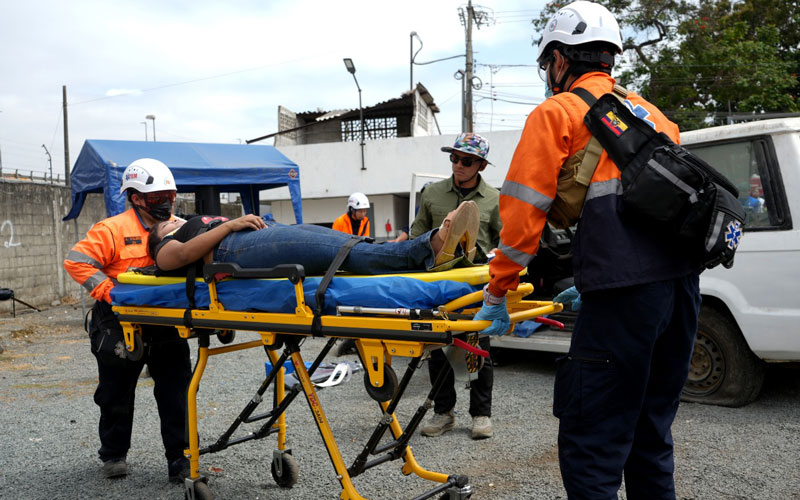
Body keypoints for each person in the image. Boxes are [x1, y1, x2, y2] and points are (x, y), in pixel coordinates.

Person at [473, 2, 702, 498]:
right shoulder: (654, 116)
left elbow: (522, 212)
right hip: (681, 293)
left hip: (621, 298)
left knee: (593, 443)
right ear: (609, 58)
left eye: (547, 65)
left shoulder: (558, 112)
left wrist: (499, 289)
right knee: (650, 437)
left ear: (559, 61)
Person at [63, 158, 191, 483]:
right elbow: (76, 261)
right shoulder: (112, 229)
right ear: (135, 198)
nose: (166, 203)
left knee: (176, 392)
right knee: (116, 392)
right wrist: (109, 292)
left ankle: (180, 460)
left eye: (170, 196)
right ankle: (114, 454)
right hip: (118, 322)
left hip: (166, 321)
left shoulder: (181, 226)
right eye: (157, 197)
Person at [411, 132, 501, 441]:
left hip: (476, 286)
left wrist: (496, 263)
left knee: (478, 350)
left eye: (466, 161)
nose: (458, 165)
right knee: (439, 351)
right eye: (454, 158)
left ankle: (481, 415)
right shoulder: (432, 194)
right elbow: (416, 236)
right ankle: (443, 412)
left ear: (481, 166)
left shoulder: (494, 199)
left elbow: (505, 242)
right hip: (438, 284)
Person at [147, 200, 480, 278]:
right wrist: (230, 226)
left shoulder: (188, 224)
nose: (172, 219)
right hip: (235, 250)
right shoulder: (164, 248)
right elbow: (181, 255)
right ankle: (431, 247)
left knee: (348, 245)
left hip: (256, 237)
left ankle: (427, 250)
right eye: (165, 224)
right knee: (342, 252)